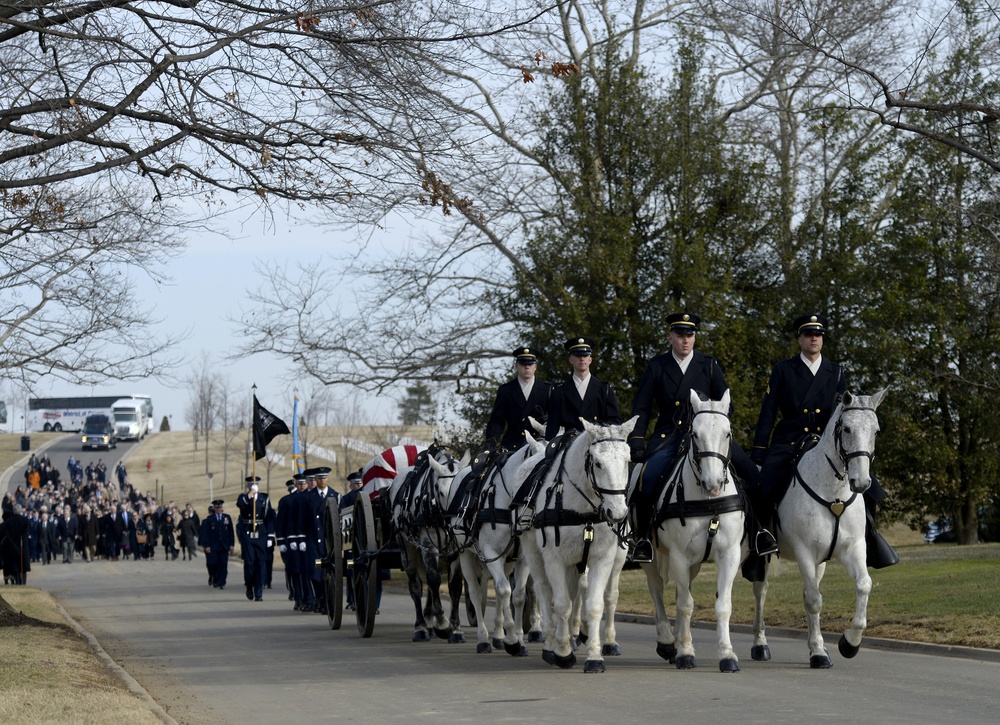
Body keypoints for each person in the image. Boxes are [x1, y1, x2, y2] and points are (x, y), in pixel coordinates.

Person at [750, 313, 898, 576]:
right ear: (800, 339)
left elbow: (844, 411)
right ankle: (762, 537)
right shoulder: (783, 370)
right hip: (791, 439)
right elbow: (768, 414)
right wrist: (759, 454)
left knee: (870, 486)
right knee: (765, 485)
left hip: (826, 440)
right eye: (808, 334)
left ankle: (871, 535)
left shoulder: (836, 371)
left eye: (818, 335)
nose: (814, 338)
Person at [627, 312, 777, 562]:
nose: (686, 340)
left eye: (690, 335)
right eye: (680, 335)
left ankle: (760, 532)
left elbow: (728, 404)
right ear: (670, 337)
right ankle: (643, 539)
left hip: (708, 436)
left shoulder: (708, 364)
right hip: (669, 436)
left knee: (753, 475)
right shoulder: (657, 366)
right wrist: (637, 441)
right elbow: (641, 407)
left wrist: (713, 418)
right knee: (647, 479)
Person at [544, 336, 622, 440]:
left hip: (598, 443)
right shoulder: (560, 392)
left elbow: (615, 423)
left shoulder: (604, 390)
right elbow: (552, 428)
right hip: (570, 446)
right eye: (577, 355)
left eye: (585, 355)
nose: (582, 358)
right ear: (570, 359)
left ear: (590, 359)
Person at [484, 346, 553, 451]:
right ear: (516, 366)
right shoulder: (505, 390)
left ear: (535, 366)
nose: (527, 367)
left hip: (539, 443)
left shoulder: (547, 389)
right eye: (523, 364)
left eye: (530, 364)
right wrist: (491, 440)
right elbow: (497, 421)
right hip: (512, 444)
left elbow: (556, 418)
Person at [307, 467, 339, 615]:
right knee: (315, 574)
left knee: (328, 574)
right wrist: (300, 539)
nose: (321, 480)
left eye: (324, 478)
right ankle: (320, 597)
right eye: (319, 478)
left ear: (328, 479)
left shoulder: (336, 496)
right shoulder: (308, 497)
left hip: (330, 540)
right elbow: (302, 519)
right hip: (313, 539)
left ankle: (327, 602)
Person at [236, 477, 273, 601]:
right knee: (249, 563)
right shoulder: (243, 497)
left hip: (261, 533)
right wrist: (250, 494)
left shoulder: (264, 498)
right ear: (247, 486)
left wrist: (270, 535)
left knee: (260, 563)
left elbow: (269, 516)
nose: (253, 485)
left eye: (255, 484)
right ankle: (249, 585)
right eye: (251, 484)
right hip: (247, 532)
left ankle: (259, 592)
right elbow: (240, 505)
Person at [200, 499, 235, 589]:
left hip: (224, 545)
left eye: (220, 507)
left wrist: (231, 544)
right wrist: (206, 545)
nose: (218, 509)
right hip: (213, 546)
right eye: (217, 507)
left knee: (223, 564)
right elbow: (206, 533)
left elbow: (231, 532)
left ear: (222, 508)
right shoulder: (209, 519)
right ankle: (214, 577)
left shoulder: (227, 518)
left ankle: (221, 582)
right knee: (213, 563)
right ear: (214, 508)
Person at [1, 508, 31, 585]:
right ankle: (23, 582)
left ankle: (17, 582)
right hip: (22, 547)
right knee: (23, 568)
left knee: (15, 567)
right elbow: (25, 534)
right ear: (20, 511)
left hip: (12, 547)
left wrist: (13, 544)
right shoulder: (25, 521)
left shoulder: (9, 522)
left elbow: (8, 535)